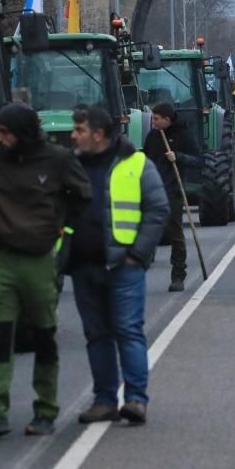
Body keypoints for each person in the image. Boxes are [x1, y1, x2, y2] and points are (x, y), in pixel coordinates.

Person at [0, 102, 91, 439]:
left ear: (22, 132)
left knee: (43, 336)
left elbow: (82, 196)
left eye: (5, 132)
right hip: (4, 260)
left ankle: (45, 411)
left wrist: (63, 231)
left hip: (40, 259)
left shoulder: (57, 159)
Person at [64, 104, 169, 425]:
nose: (72, 135)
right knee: (97, 336)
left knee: (127, 331)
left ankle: (136, 399)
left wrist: (137, 254)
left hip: (124, 267)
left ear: (98, 134)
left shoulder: (136, 164)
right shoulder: (70, 166)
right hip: (84, 266)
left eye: (79, 130)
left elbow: (158, 210)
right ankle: (105, 400)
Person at [142, 102, 202, 291]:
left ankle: (178, 275)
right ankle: (142, 264)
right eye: (153, 118)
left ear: (167, 119)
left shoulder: (183, 135)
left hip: (173, 191)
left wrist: (178, 157)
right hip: (152, 192)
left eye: (156, 119)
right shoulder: (152, 137)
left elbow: (199, 160)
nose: (153, 122)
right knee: (147, 230)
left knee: (175, 234)